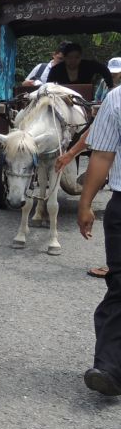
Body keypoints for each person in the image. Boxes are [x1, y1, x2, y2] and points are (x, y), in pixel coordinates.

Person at [76, 80, 121, 395]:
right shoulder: (117, 99)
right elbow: (102, 156)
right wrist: (85, 202)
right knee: (120, 284)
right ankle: (108, 367)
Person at [60, 57, 121, 278]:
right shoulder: (113, 96)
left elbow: (100, 145)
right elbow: (102, 150)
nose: (115, 76)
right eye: (113, 73)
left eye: (117, 73)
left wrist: (70, 153)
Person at [46, 42, 112, 88]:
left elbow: (104, 69)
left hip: (85, 101)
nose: (73, 60)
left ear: (81, 57)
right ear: (65, 58)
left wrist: (110, 86)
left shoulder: (88, 66)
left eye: (77, 57)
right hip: (63, 101)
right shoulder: (56, 69)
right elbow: (47, 86)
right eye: (70, 57)